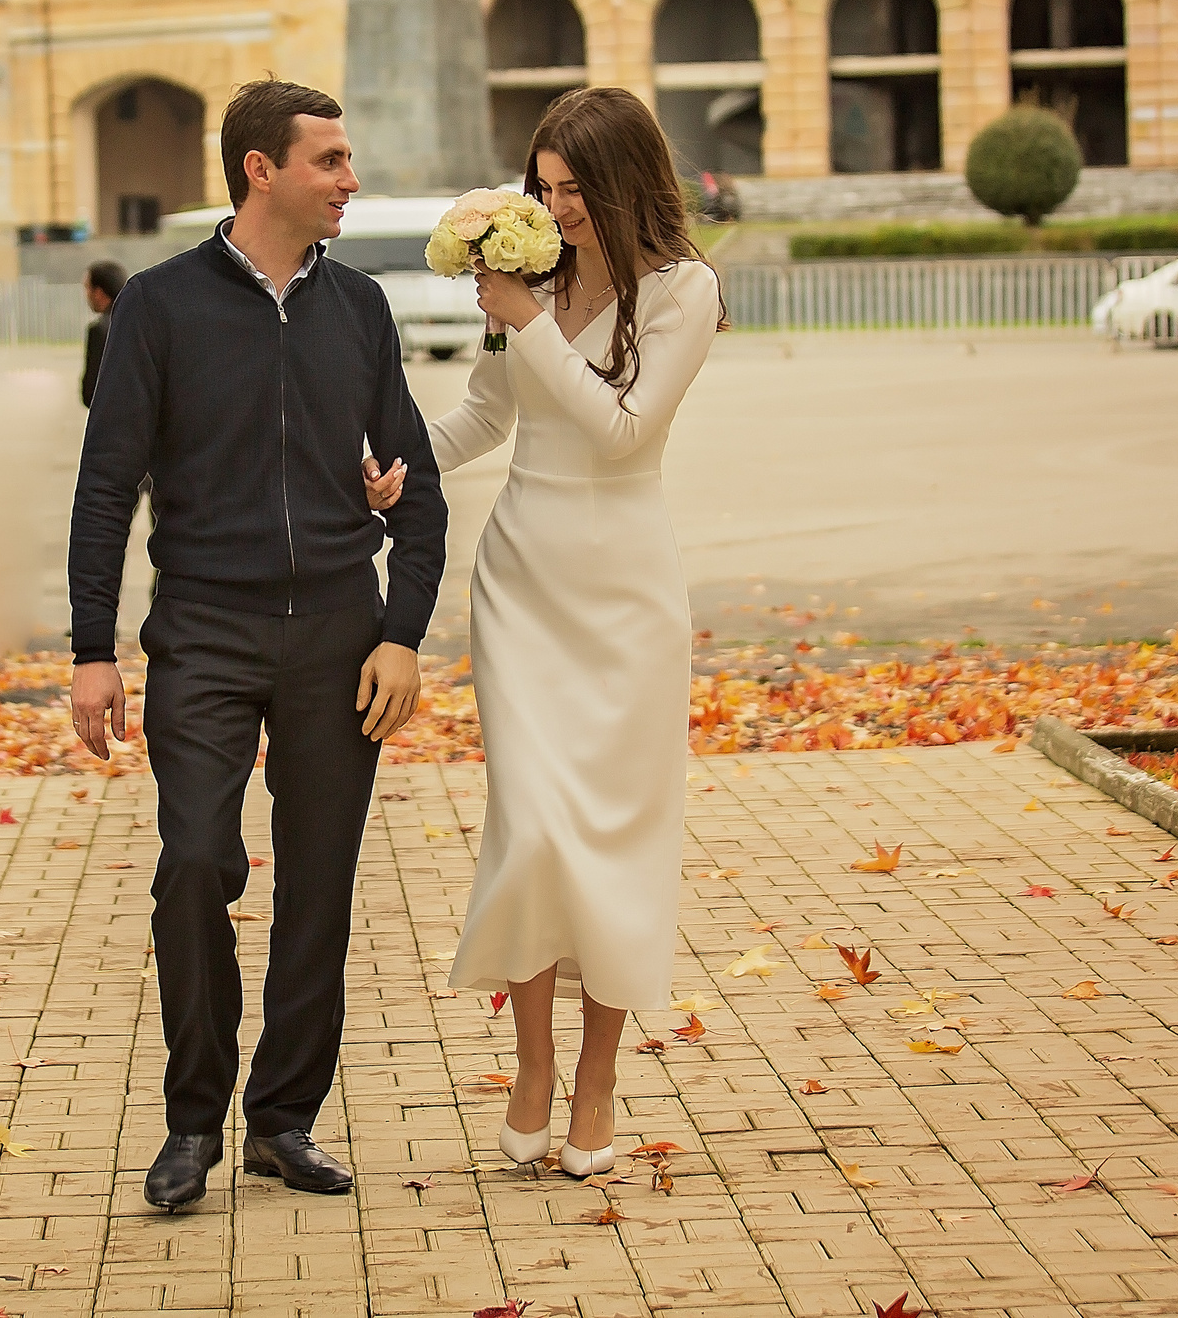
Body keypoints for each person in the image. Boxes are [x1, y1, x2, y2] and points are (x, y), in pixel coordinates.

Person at [67, 78, 448, 1213]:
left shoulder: (359, 308)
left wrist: (401, 634)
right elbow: (105, 489)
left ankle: (282, 1120)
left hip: (336, 634)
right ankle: (193, 1120)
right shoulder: (159, 306)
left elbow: (419, 491)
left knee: (318, 888)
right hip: (204, 631)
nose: (350, 179)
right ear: (260, 170)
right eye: (330, 160)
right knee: (194, 863)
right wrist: (93, 649)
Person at [371, 87, 723, 1178]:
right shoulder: (538, 280)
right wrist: (397, 466)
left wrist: (527, 319)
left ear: (624, 181)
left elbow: (621, 431)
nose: (557, 207)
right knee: (529, 832)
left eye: (574, 188)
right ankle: (531, 1067)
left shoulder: (684, 289)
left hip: (625, 592)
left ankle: (597, 1078)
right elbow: (487, 413)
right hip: (521, 579)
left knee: (612, 840)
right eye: (545, 187)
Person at [81, 259, 128, 407]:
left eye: (88, 288)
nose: (86, 295)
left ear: (99, 293)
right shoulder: (141, 322)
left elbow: (91, 393)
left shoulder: (99, 330)